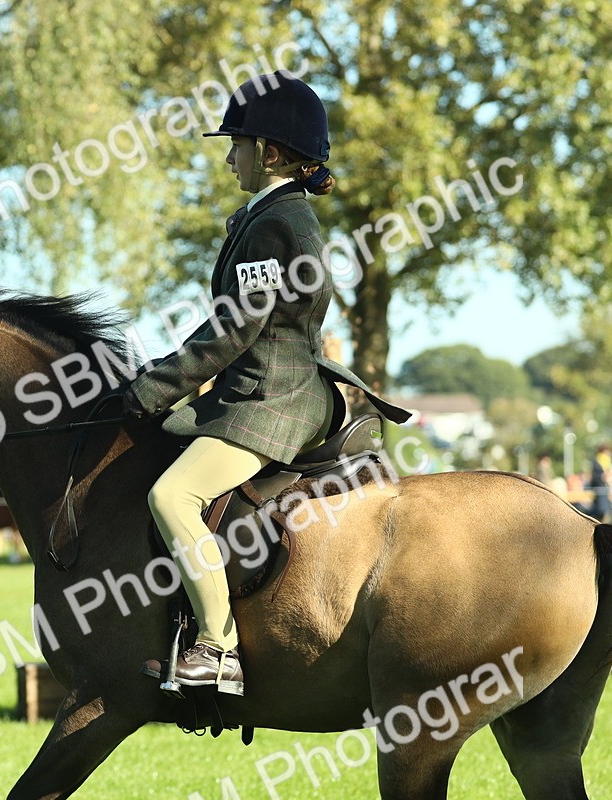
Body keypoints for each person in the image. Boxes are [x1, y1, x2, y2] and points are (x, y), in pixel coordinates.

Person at [122, 72, 407, 695]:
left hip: (271, 399)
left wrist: (151, 388)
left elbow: (230, 333)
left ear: (270, 154)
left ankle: (218, 648)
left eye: (237, 146)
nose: (229, 159)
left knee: (173, 498)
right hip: (261, 388)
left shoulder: (277, 225)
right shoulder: (268, 219)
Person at [587, 445, 612, 521]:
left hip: (602, 488)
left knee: (603, 510)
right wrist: (604, 477)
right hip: (600, 488)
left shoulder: (599, 460)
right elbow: (599, 476)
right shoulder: (600, 461)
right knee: (601, 510)